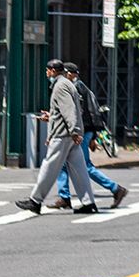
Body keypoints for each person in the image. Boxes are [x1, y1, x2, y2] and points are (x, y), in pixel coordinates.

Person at [14, 61, 97, 216]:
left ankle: (35, 201)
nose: (46, 73)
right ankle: (88, 202)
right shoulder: (67, 84)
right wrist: (52, 118)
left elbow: (68, 110)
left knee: (49, 166)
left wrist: (74, 131)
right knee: (79, 170)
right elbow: (66, 111)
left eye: (47, 70)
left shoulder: (60, 86)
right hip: (68, 135)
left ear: (52, 71)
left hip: (64, 135)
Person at [55, 63, 129, 212]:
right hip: (85, 131)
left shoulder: (75, 88)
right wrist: (92, 136)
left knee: (85, 166)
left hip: (81, 131)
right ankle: (64, 197)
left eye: (64, 73)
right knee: (62, 164)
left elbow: (77, 113)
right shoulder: (82, 87)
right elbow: (91, 112)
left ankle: (116, 189)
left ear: (69, 74)